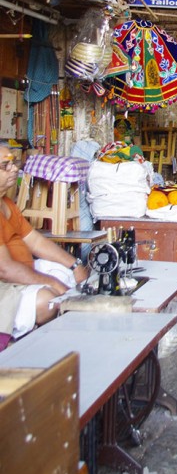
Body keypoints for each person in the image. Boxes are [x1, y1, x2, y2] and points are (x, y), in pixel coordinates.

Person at [0, 145, 89, 343]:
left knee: (69, 278)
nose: (14, 169)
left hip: (20, 274)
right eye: (5, 166)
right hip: (6, 285)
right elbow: (5, 270)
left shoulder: (6, 204)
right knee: (49, 300)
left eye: (13, 163)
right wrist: (51, 282)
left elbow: (35, 241)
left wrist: (74, 264)